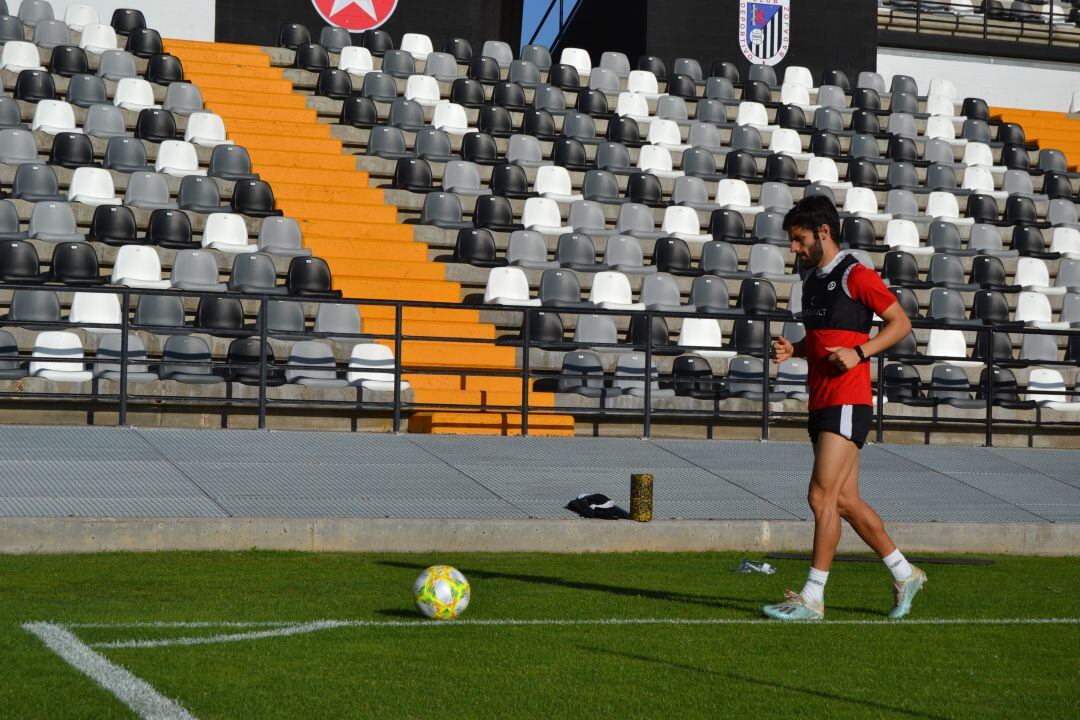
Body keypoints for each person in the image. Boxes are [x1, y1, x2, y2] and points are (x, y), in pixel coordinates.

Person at [762, 195, 926, 621]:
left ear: (823, 233)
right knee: (847, 501)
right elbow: (823, 341)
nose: (793, 249)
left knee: (821, 496)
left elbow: (901, 323)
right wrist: (795, 349)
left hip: (848, 400)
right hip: (822, 399)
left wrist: (860, 351)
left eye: (798, 240)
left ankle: (813, 597)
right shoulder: (813, 279)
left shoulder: (857, 274)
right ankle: (904, 572)